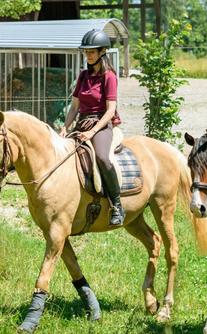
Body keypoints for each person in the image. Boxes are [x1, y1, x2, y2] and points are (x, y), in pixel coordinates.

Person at [60, 29, 125, 226]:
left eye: (92, 52)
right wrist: (65, 127)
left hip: (102, 124)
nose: (88, 56)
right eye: (86, 52)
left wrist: (93, 130)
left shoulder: (109, 77)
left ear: (102, 52)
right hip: (82, 123)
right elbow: (74, 106)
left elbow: (110, 110)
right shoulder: (83, 76)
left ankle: (117, 205)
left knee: (103, 158)